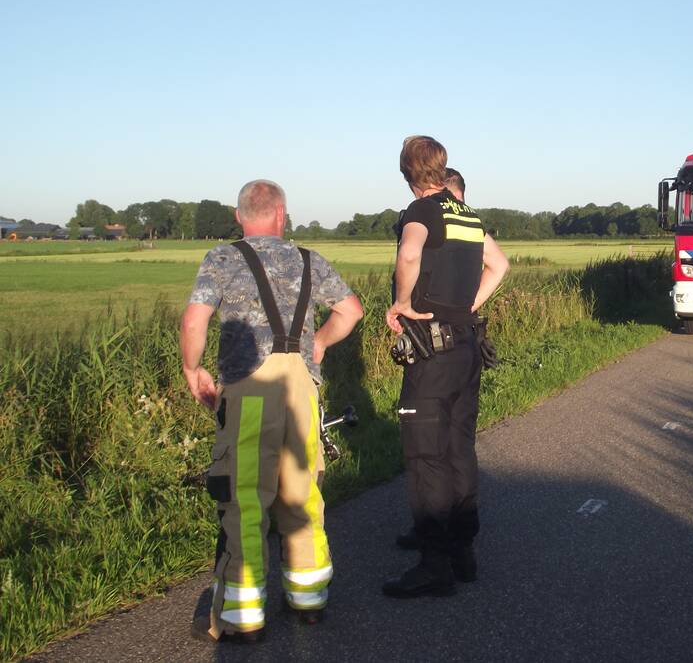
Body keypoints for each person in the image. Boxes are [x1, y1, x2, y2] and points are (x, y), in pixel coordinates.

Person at [181, 179, 364, 643]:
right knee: (303, 494)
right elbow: (351, 310)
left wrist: (192, 367)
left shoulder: (222, 258)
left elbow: (194, 319)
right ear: (282, 214)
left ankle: (245, 617)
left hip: (248, 388)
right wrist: (318, 343)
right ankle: (309, 601)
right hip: (301, 390)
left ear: (240, 216)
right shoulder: (307, 259)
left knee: (245, 496)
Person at [384, 137, 509, 598]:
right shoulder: (468, 216)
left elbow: (411, 254)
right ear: (441, 167)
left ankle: (434, 564)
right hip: (468, 346)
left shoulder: (420, 213)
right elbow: (499, 264)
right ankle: (463, 550)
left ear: (407, 173)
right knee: (460, 448)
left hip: (433, 353)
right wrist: (468, 303)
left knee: (426, 457)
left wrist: (400, 302)